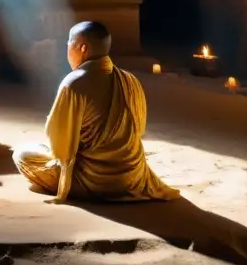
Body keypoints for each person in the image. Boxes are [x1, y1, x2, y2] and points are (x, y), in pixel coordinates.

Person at [13, 21, 178, 202]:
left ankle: (90, 190)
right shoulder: (130, 80)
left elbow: (59, 144)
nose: (67, 49)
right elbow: (139, 128)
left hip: (92, 180)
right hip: (132, 178)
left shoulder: (74, 83)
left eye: (69, 43)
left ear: (82, 48)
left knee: (22, 154)